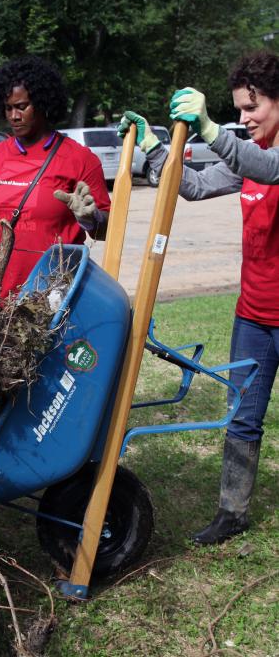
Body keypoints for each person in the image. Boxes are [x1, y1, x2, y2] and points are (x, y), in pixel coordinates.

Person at [117, 50, 279, 545]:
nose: (243, 119)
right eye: (237, 110)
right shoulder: (247, 156)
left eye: (252, 108)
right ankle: (233, 512)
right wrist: (152, 148)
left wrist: (211, 128)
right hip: (253, 315)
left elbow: (268, 169)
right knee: (242, 417)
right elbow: (194, 185)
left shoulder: (265, 158)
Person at [0, 55, 112, 299]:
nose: (14, 116)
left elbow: (106, 231)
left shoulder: (80, 159)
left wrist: (90, 218)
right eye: (8, 108)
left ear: (43, 102)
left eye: (22, 106)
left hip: (54, 298)